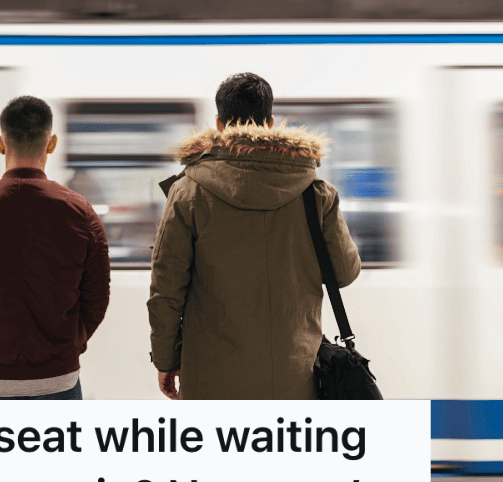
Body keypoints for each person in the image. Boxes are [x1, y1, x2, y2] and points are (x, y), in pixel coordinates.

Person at [148, 73, 361, 400]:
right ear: (270, 122)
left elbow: (166, 291)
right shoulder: (317, 193)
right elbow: (344, 273)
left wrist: (166, 359)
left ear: (219, 124)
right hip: (297, 376)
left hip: (212, 379)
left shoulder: (187, 192)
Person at [0, 96, 110, 400]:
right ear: (52, 143)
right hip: (60, 380)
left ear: (0, 143)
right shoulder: (81, 212)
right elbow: (96, 298)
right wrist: (69, 345)